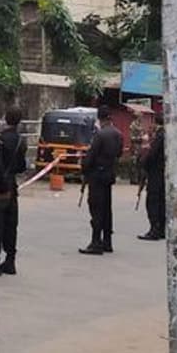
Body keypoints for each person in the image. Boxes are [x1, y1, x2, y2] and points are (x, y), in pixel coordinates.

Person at [0, 107, 28, 275]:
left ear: (5, 119)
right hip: (12, 185)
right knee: (11, 224)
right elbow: (22, 166)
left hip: (0, 185)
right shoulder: (21, 141)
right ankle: (10, 260)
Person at [79, 107, 123, 255]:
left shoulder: (100, 135)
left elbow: (91, 156)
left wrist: (84, 168)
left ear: (99, 118)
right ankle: (107, 241)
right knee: (106, 209)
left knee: (96, 208)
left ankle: (96, 242)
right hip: (109, 174)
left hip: (97, 175)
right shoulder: (118, 134)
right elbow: (119, 153)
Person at [137, 115, 166, 241]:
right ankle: (161, 229)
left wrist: (144, 162)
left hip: (155, 173)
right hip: (163, 172)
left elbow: (152, 155)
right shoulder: (167, 134)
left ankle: (154, 229)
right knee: (161, 202)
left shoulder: (159, 136)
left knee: (153, 202)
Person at [128, 114, 145, 186]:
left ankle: (139, 179)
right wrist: (140, 138)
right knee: (134, 163)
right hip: (135, 146)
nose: (142, 118)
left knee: (140, 162)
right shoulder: (133, 126)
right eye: (140, 117)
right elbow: (131, 137)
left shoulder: (140, 125)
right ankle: (133, 179)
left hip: (140, 146)